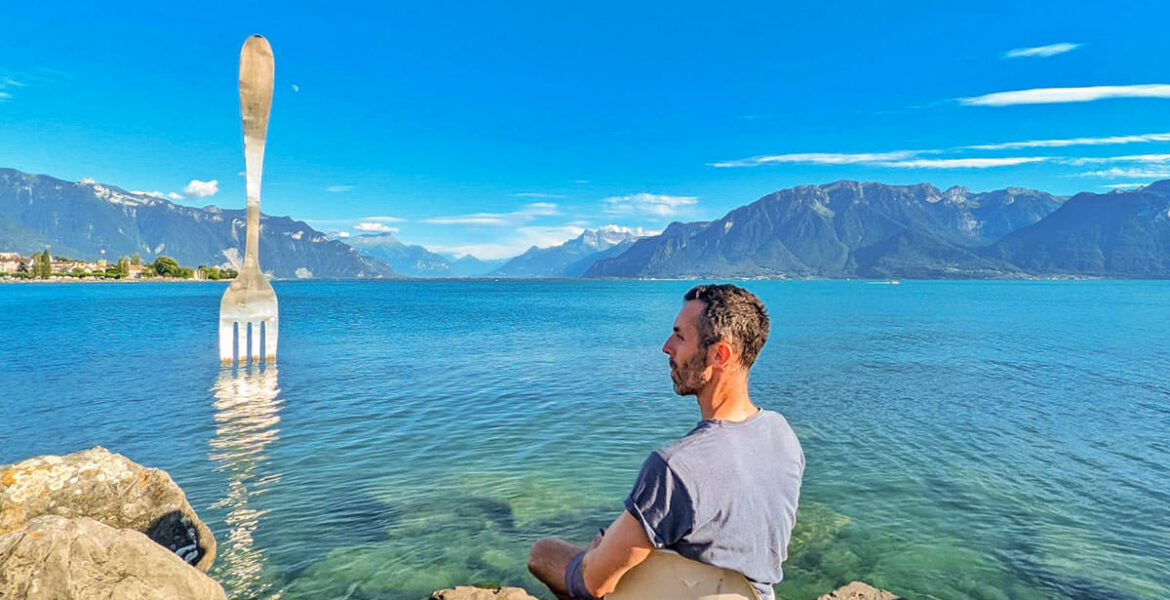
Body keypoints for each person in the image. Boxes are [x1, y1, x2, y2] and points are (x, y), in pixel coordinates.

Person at [528, 283, 804, 600]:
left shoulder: (675, 467)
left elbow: (594, 583)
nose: (666, 347)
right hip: (754, 595)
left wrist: (596, 555)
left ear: (719, 354)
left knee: (545, 553)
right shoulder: (782, 434)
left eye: (680, 336)